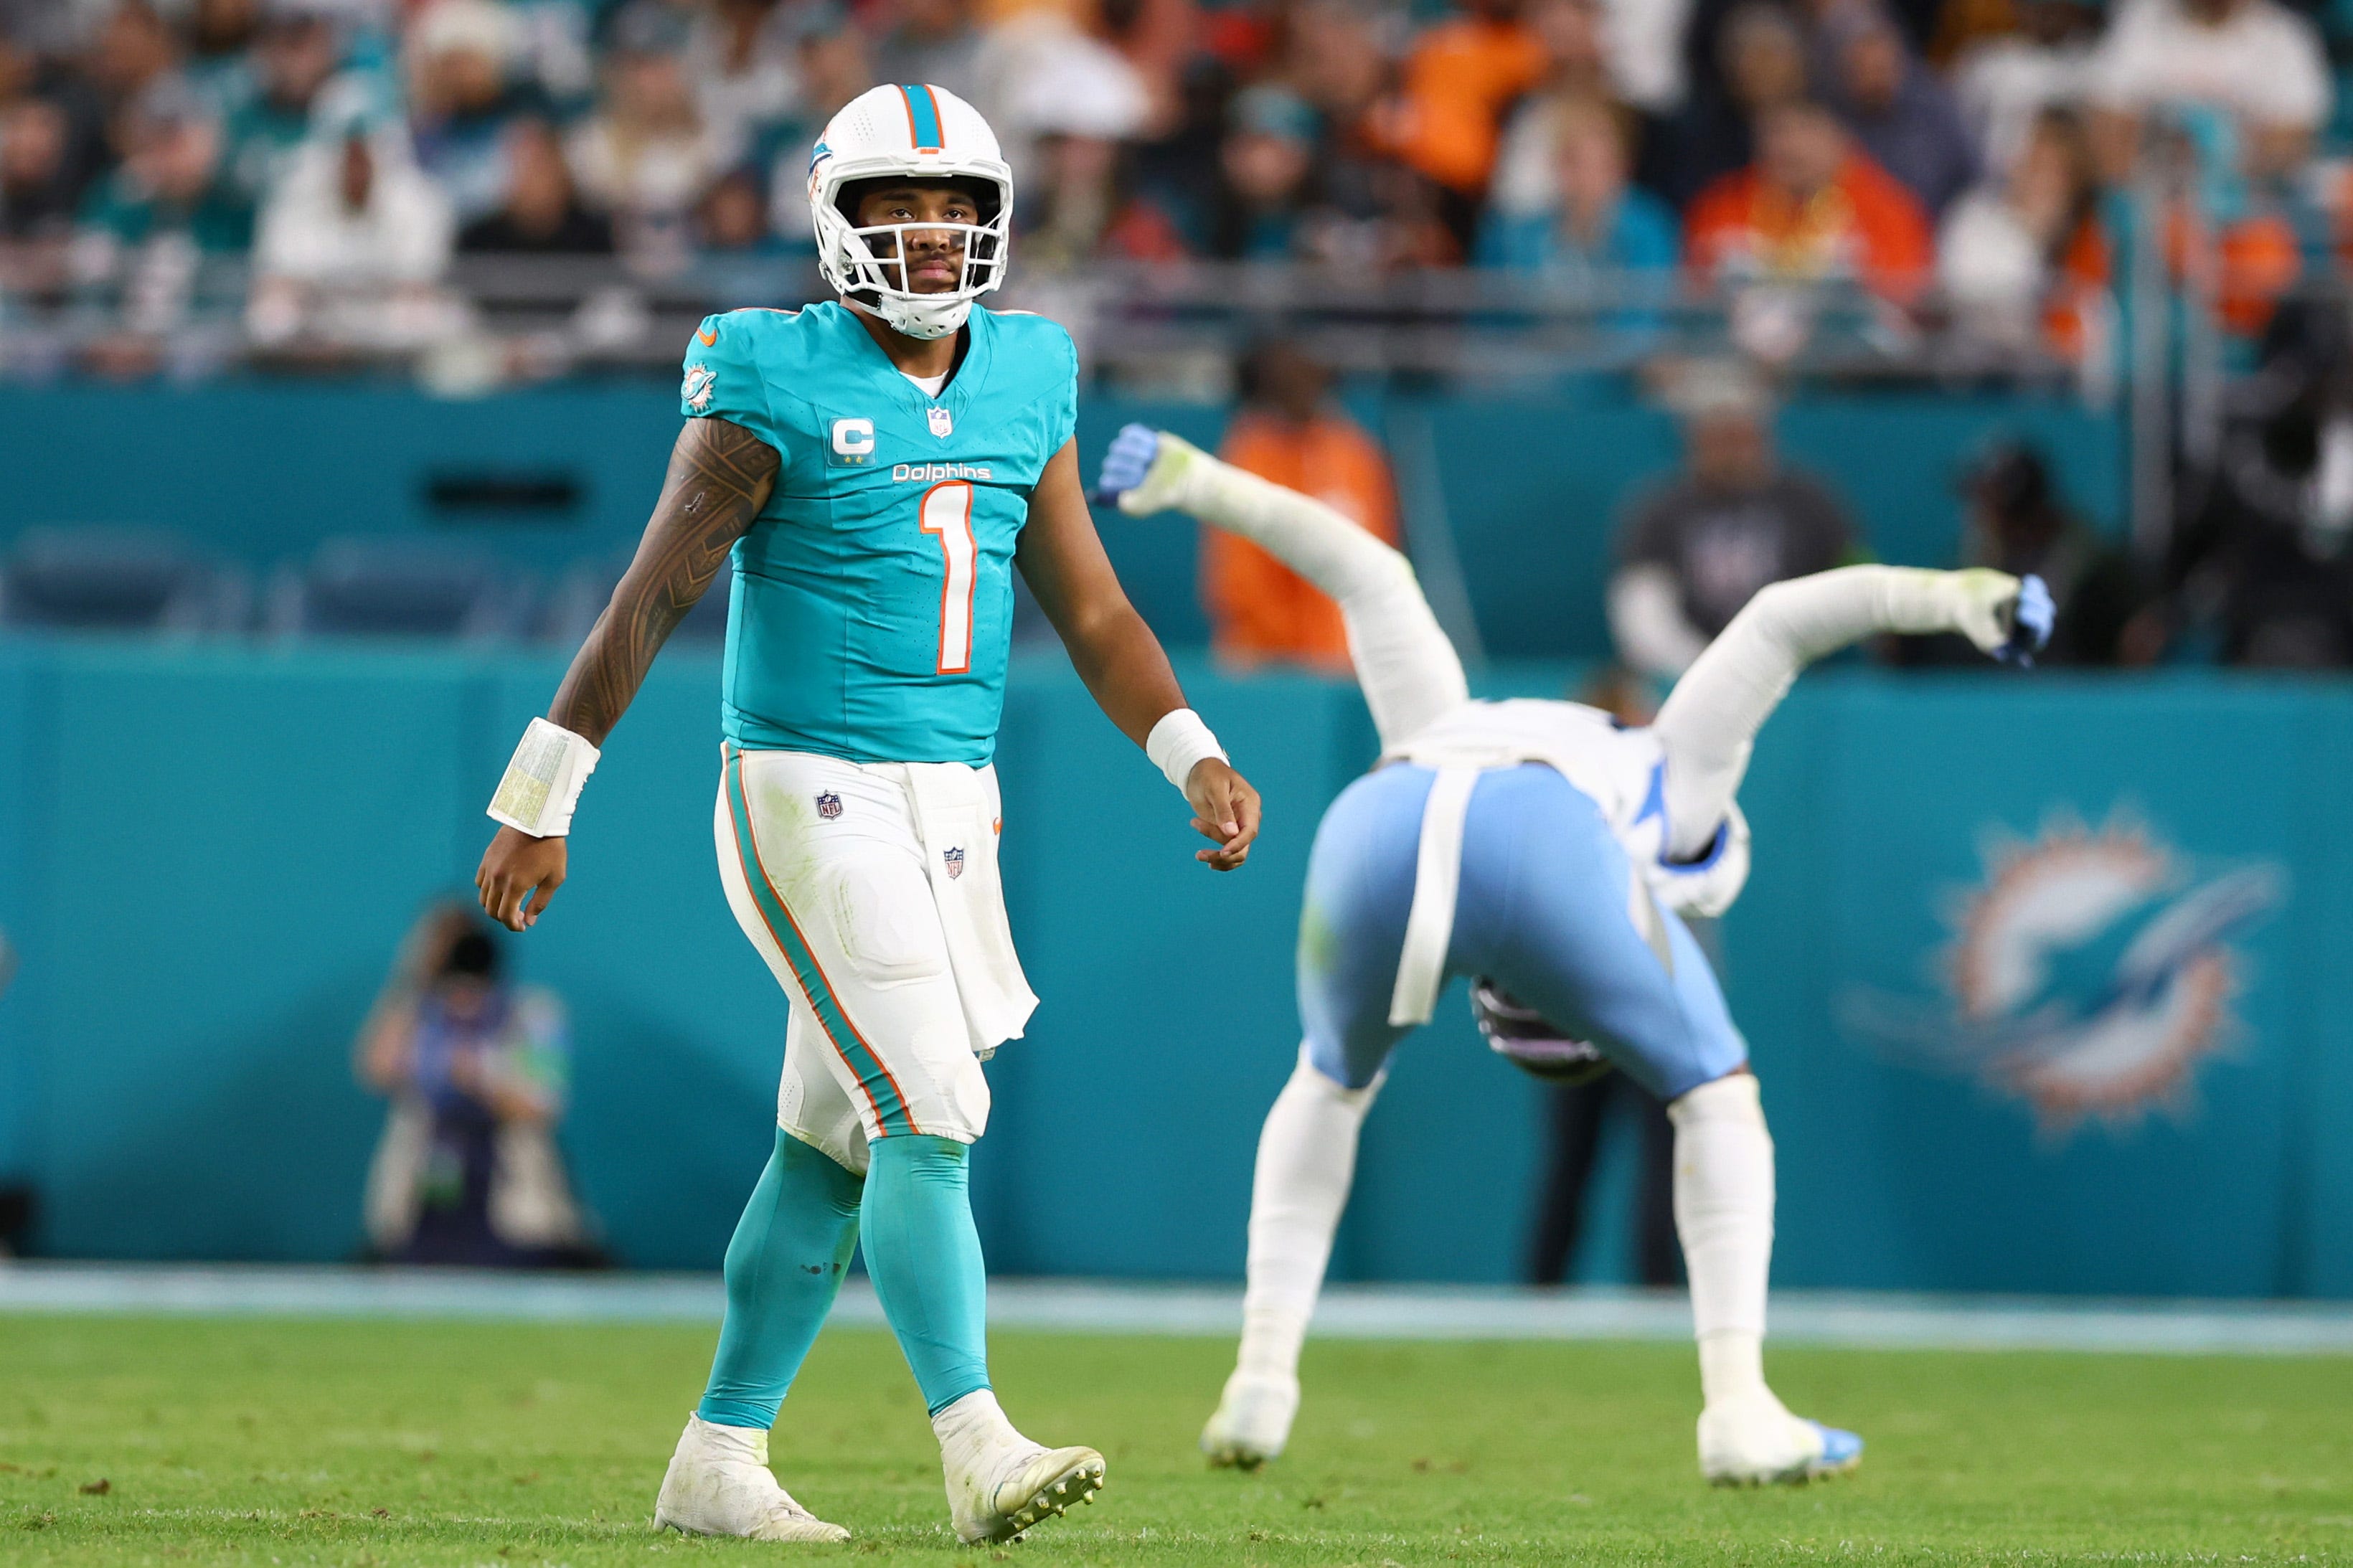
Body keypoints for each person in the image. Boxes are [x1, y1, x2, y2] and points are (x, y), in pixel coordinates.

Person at [471, 82, 1263, 1546]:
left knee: (830, 1144)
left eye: (957, 208)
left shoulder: (1031, 368)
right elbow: (653, 592)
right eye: (899, 207)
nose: (932, 235)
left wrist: (1186, 745)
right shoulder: (766, 368)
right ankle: (973, 1442)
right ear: (834, 219)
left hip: (954, 801)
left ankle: (717, 1455)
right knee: (929, 1108)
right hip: (802, 787)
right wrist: (545, 792)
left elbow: (1086, 604)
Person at [1092, 419, 2052, 1483]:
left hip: (1382, 820)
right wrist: (1969, 598)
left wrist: (1198, 480)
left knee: (1327, 1084)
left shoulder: (1474, 724)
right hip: (1525, 837)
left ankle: (1261, 1384)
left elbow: (1368, 574)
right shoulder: (1668, 778)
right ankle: (1737, 1402)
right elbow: (1782, 616)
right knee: (1719, 1091)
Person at [354, 903, 594, 1267]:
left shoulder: (533, 1014)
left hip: (512, 1207)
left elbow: (543, 1104)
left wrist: (480, 1078)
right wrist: (412, 978)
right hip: (425, 1205)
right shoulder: (421, 1015)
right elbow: (377, 1068)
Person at [1608, 366, 1860, 681]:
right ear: (1695, 443)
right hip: (1693, 675)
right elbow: (1643, 612)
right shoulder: (1661, 511)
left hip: (1796, 676)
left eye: (1742, 438)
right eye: (1720, 440)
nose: (1733, 453)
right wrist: (1709, 673)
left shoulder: (1809, 503)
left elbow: (1851, 581)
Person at [1203, 340, 1400, 671]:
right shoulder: (1248, 454)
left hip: (1348, 662)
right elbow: (1238, 577)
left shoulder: (1355, 455)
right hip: (1263, 664)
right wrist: (1285, 649)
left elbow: (1379, 556)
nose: (1299, 388)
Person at [1684, 97, 1935, 305]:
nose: (1787, 145)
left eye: (1804, 129)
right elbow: (1695, 296)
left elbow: (1903, 302)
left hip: (1853, 360)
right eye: (1776, 132)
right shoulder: (1720, 204)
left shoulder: (1888, 209)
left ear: (1841, 140)